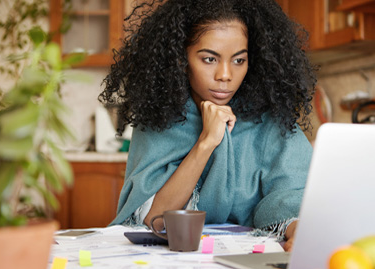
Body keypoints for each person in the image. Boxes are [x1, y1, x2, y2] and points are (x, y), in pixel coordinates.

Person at [99, 0, 316, 252]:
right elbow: (152, 219)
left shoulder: (269, 121)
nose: (225, 75)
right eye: (209, 59)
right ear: (181, 59)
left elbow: (291, 198)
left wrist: (298, 229)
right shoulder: (158, 117)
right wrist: (206, 142)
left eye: (238, 60)